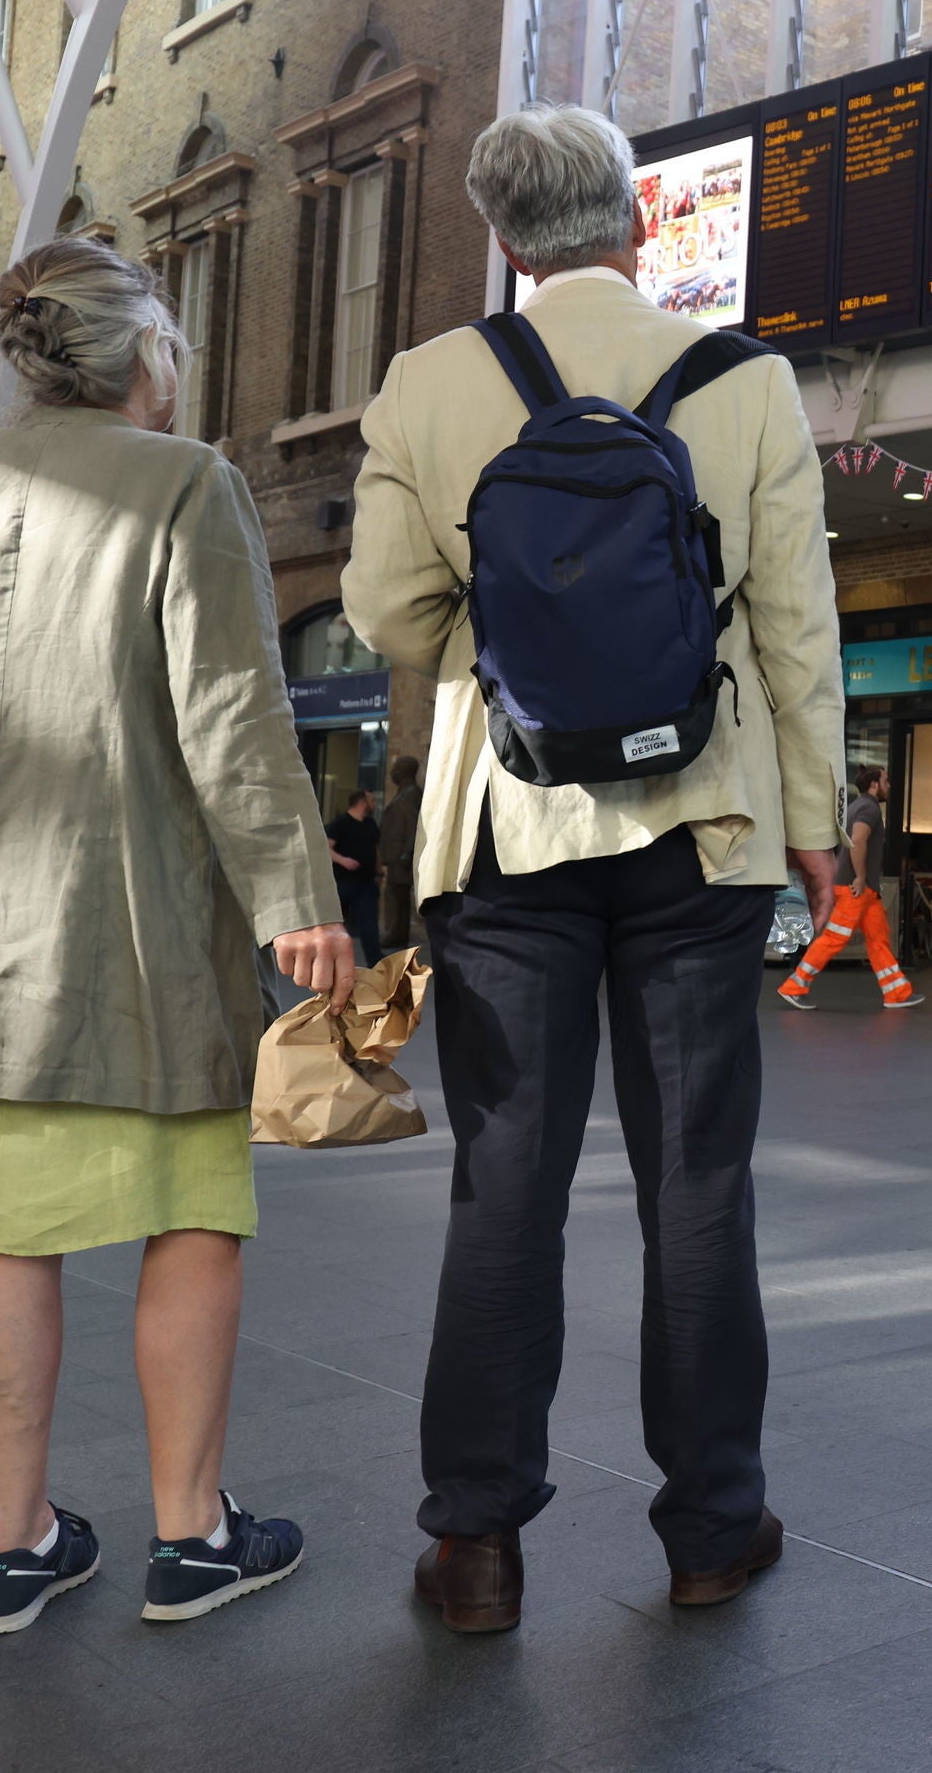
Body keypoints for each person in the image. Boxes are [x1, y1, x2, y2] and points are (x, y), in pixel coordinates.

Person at [345, 103, 844, 1635]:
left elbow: (380, 613)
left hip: (510, 833)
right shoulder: (747, 381)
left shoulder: (433, 384)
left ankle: (478, 1544)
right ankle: (711, 1526)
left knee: (508, 1182)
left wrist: (503, 651)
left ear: (504, 239)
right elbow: (795, 628)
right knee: (697, 1183)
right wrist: (817, 826)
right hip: (708, 833)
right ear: (635, 222)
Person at [0, 236, 351, 1637]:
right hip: (151, 923)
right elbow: (234, 717)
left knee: (6, 1237)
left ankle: (13, 1550)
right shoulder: (188, 482)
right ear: (143, 357)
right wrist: (299, 901)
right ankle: (192, 1540)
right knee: (190, 1216)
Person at [778, 763, 919, 1011]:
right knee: (835, 938)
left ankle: (897, 992)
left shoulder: (856, 806)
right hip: (856, 889)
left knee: (878, 939)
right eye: (886, 781)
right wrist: (861, 877)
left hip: (864, 891)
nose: (889, 786)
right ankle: (794, 985)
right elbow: (858, 840)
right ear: (875, 785)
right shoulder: (869, 809)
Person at [326, 788, 384, 962]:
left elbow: (375, 849)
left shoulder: (370, 824)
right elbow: (325, 849)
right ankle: (330, 960)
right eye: (372, 800)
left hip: (366, 883)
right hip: (343, 882)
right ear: (362, 802)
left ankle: (376, 965)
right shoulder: (340, 824)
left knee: (369, 926)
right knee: (334, 923)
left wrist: (379, 872)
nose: (374, 804)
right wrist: (343, 860)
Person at [380, 752, 424, 945]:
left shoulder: (411, 793)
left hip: (401, 856)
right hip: (396, 856)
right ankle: (395, 933)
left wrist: (407, 853)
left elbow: (415, 825)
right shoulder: (403, 793)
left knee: (398, 898)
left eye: (395, 769)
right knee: (394, 896)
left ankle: (397, 934)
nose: (392, 772)